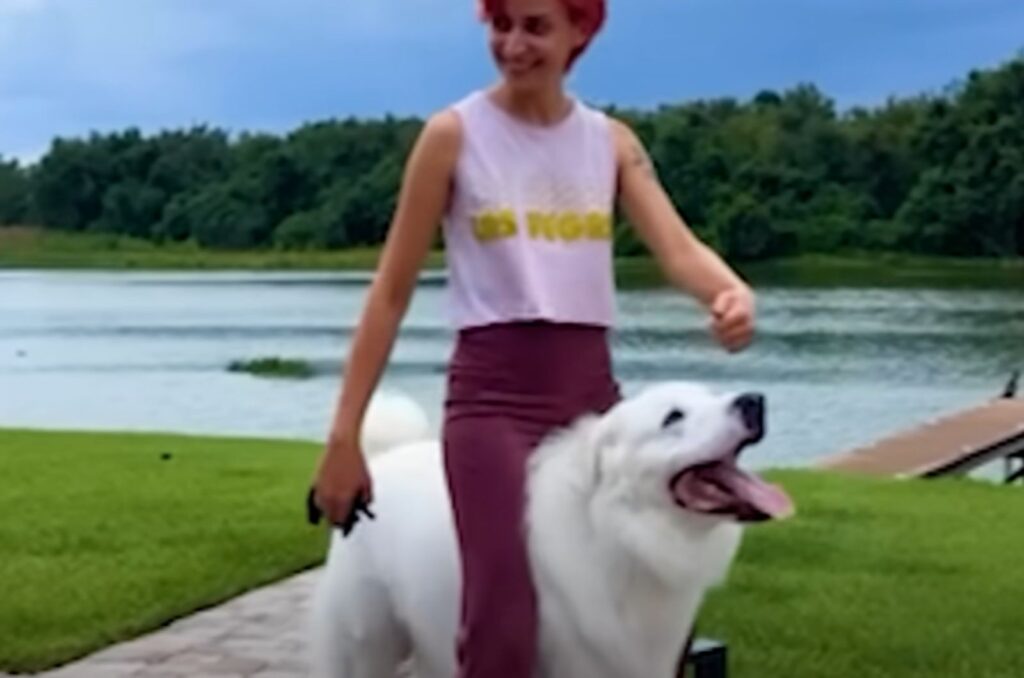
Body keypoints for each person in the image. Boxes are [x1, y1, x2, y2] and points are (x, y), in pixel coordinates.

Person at [310, 0, 756, 675]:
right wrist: (344, 439)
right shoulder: (453, 136)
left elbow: (679, 249)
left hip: (590, 403)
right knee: (504, 618)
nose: (514, 44)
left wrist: (730, 293)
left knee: (649, 599)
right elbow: (390, 292)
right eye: (501, 25)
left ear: (580, 31)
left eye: (536, 27)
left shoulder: (610, 142)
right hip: (492, 403)